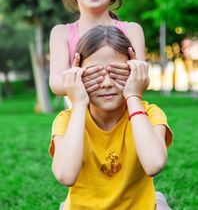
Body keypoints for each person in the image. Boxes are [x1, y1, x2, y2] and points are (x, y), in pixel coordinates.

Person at [49, 26, 173, 210]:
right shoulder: (67, 120)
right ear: (78, 74)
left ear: (133, 72)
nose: (107, 83)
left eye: (116, 73)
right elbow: (65, 176)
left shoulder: (150, 114)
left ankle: (157, 199)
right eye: (95, 74)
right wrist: (79, 102)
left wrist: (133, 96)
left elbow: (154, 164)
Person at [49, 0, 147, 99]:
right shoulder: (61, 33)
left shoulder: (132, 30)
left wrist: (136, 75)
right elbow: (56, 83)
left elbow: (144, 79)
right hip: (81, 119)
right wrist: (85, 79)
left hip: (126, 118)